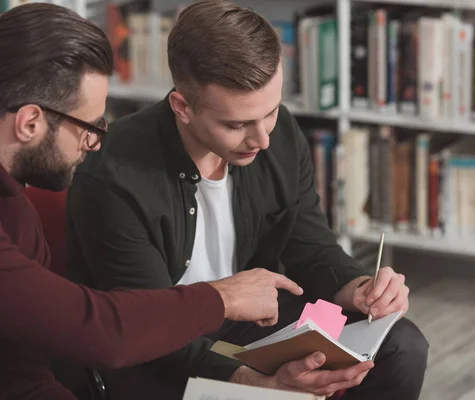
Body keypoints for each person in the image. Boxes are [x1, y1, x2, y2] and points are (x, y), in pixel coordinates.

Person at [66, 1, 429, 399]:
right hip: (152, 347)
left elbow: (310, 247)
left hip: (248, 323)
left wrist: (360, 287)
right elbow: (144, 327)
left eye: (270, 112)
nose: (263, 140)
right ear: (182, 107)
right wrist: (255, 382)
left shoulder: (280, 133)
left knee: (401, 346)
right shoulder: (111, 176)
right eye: (237, 124)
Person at [0, 3, 305, 399]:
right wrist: (222, 297)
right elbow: (99, 330)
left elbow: (23, 376)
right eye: (88, 126)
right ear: (29, 123)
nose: (94, 143)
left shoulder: (17, 214)